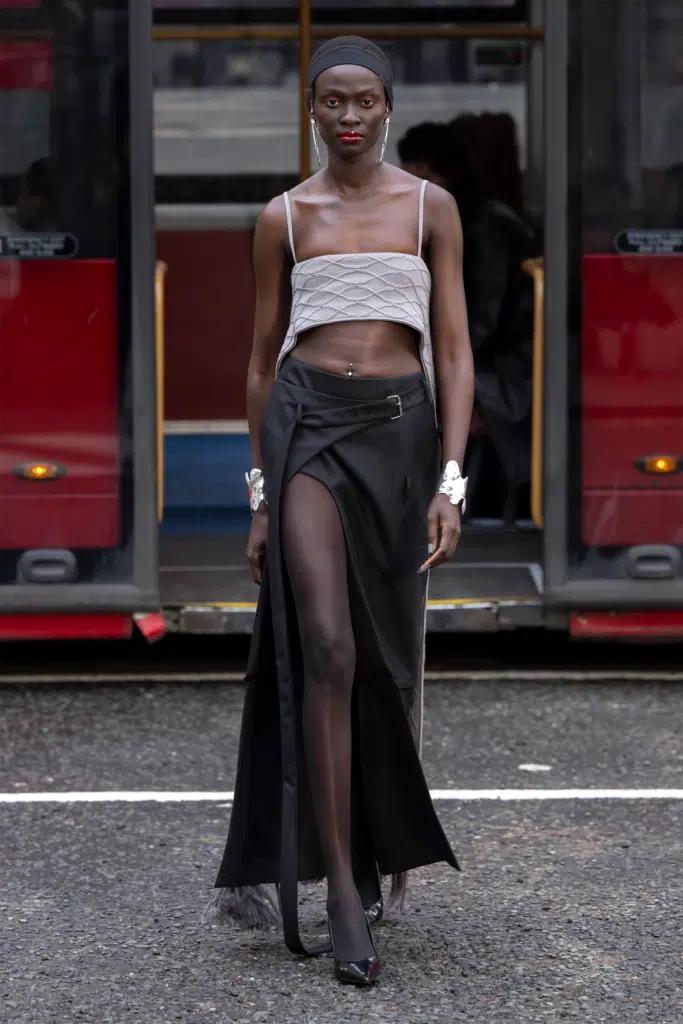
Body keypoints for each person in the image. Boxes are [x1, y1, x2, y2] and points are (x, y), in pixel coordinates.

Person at [203, 37, 473, 986]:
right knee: (324, 644)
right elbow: (256, 358)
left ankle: (366, 851)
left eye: (363, 100)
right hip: (305, 424)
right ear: (311, 111)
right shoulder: (282, 217)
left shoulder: (429, 208)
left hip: (399, 436)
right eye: (331, 102)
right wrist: (260, 494)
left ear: (387, 105)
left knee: (383, 659)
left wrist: (450, 480)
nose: (348, 116)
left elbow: (453, 348)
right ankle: (339, 898)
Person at [399, 122, 535, 518]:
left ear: (429, 171)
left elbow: (482, 323)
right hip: (490, 353)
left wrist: (428, 357)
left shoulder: (484, 226)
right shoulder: (467, 215)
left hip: (506, 366)